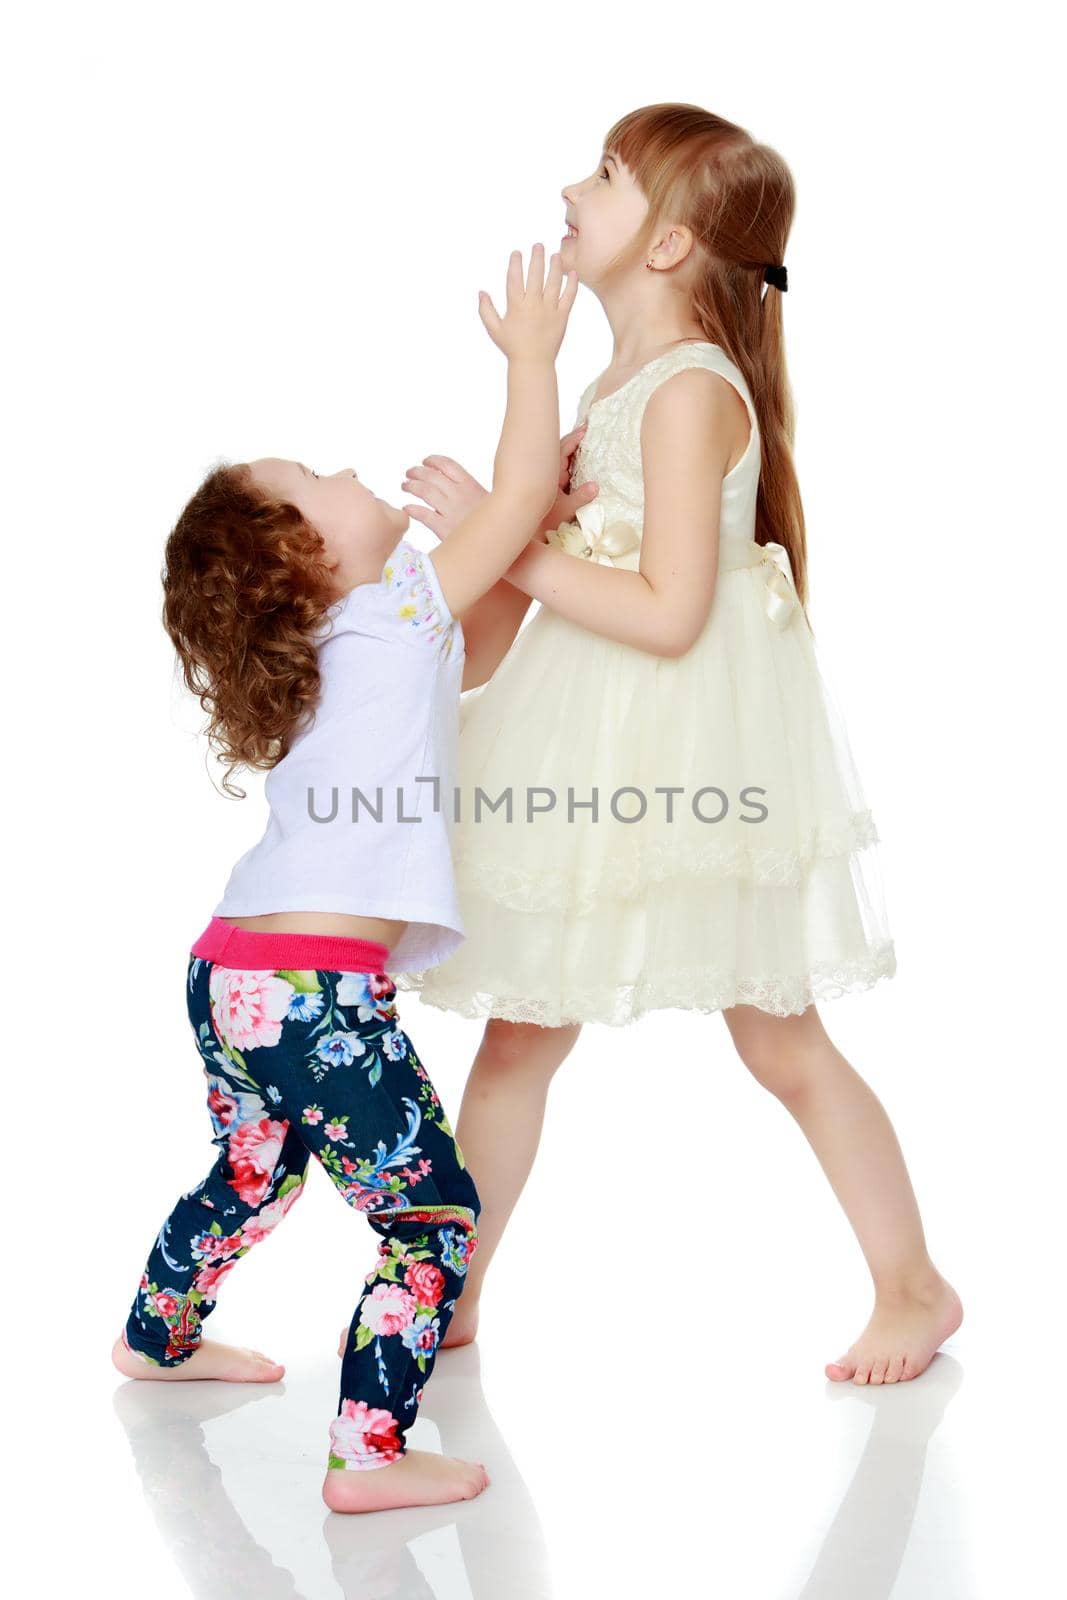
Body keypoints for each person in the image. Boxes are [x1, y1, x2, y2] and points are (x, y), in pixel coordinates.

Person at [392, 105, 963, 1387]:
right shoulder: (613, 385)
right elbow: (537, 570)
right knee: (521, 1033)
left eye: (602, 173)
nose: (568, 186)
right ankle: (459, 1288)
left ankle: (912, 1285)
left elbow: (667, 611)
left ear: (669, 244)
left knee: (778, 1039)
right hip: (594, 742)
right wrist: (521, 441)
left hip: (684, 748)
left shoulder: (690, 391)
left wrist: (514, 537)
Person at [112, 246, 579, 1512]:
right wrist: (530, 363)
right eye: (319, 479)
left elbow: (473, 661)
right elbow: (520, 488)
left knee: (253, 1170)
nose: (345, 468)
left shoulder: (358, 646)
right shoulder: (382, 612)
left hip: (231, 977)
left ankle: (155, 1338)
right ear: (310, 560)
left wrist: (514, 534)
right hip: (316, 997)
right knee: (431, 1221)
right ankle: (367, 1452)